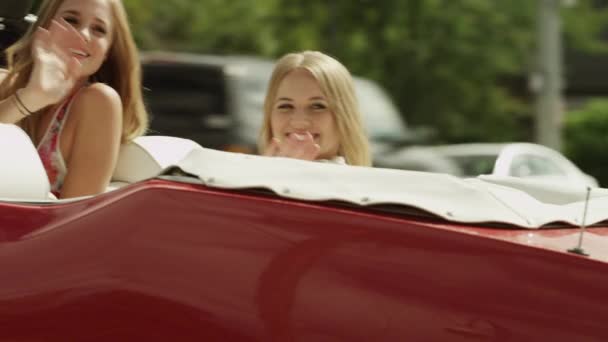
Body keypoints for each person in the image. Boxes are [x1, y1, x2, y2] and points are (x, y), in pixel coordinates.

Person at [0, 0, 148, 199]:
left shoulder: (98, 102)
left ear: (107, 51)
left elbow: (76, 220)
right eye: (71, 20)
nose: (83, 34)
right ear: (43, 28)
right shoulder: (5, 83)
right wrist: (32, 98)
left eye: (99, 29)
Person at [259, 50, 371, 167]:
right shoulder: (247, 175)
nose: (299, 122)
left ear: (345, 115)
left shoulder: (354, 183)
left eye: (317, 106)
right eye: (286, 106)